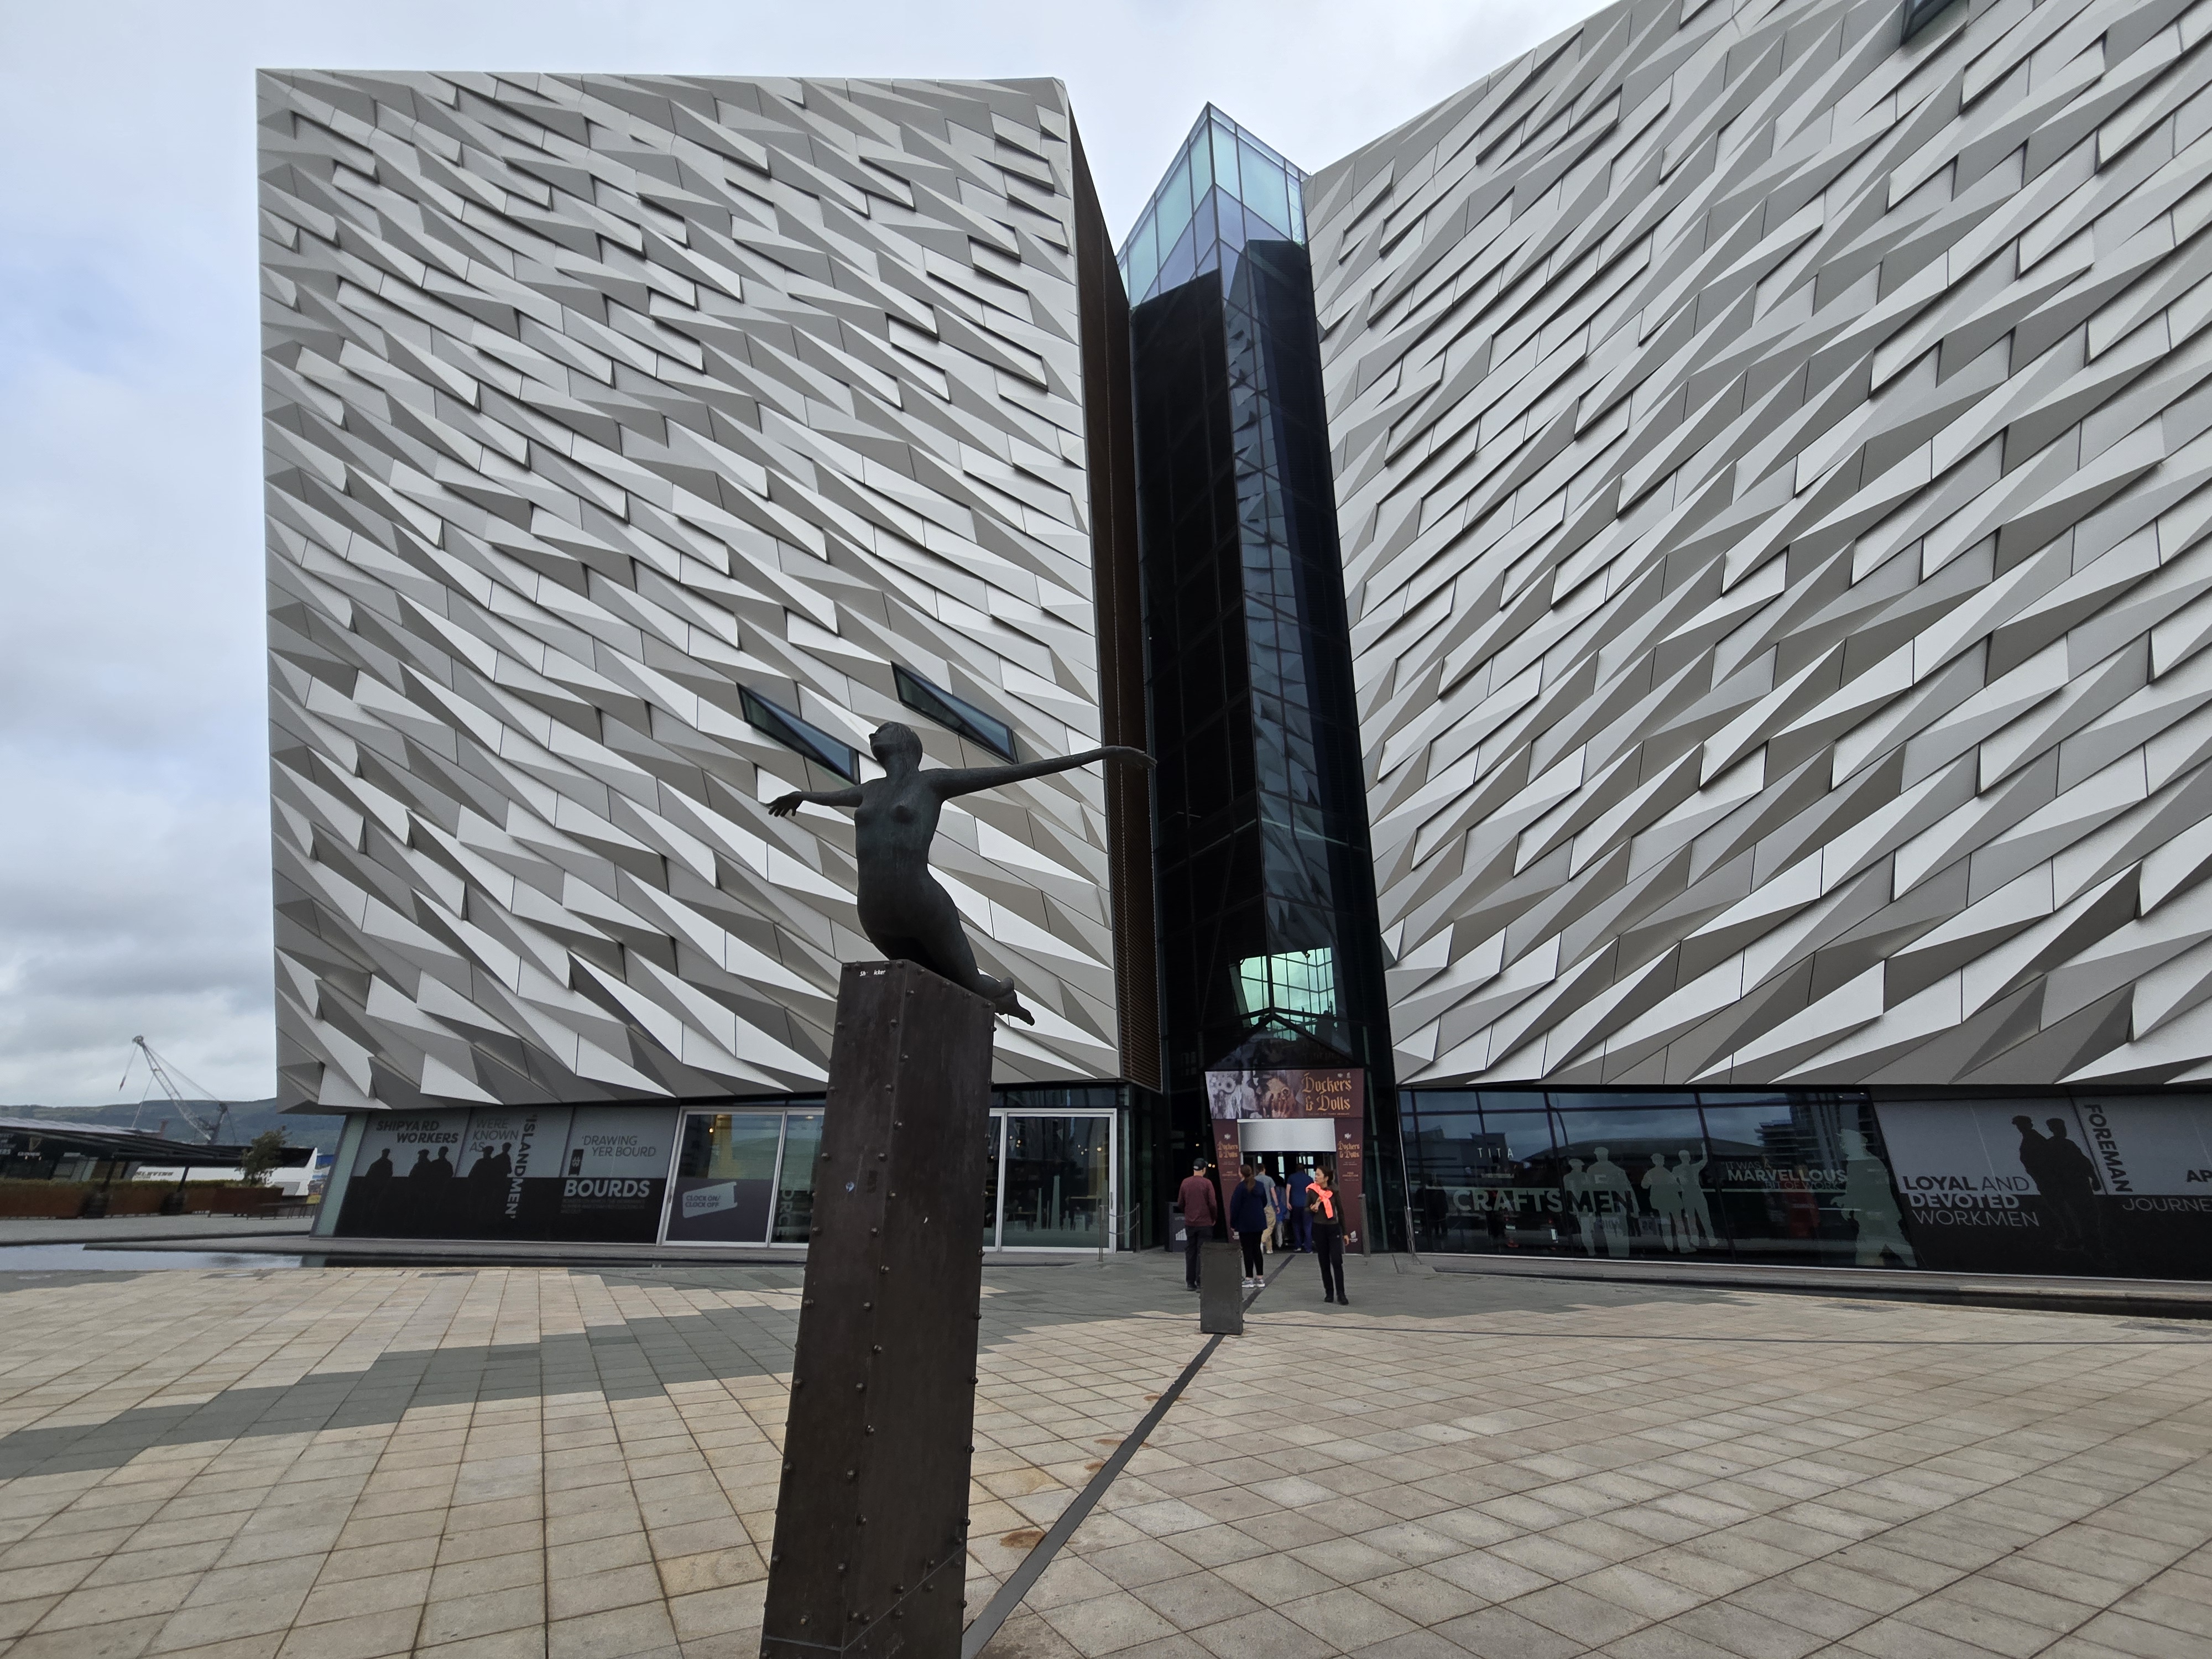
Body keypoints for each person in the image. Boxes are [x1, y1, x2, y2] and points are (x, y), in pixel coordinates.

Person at [770, 723, 1152, 1021]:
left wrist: (1106, 753)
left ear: (903, 743)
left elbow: (1021, 771)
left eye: (882, 731)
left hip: (920, 901)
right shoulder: (869, 790)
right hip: (873, 909)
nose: (873, 736)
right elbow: (829, 797)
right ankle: (989, 1002)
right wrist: (801, 796)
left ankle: (1000, 998)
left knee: (965, 982)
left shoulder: (932, 782)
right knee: (916, 988)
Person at [1176, 1157, 1219, 1292]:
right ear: (1204, 1169)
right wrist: (1214, 1217)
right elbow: (1213, 1203)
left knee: (1191, 1251)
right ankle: (1201, 1282)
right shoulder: (1207, 1183)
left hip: (1190, 1222)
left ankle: (1190, 1283)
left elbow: (1180, 1202)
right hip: (1205, 1223)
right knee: (1203, 1252)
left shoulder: (1185, 1182)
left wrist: (1187, 1212)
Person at [1309, 1164, 1348, 1305]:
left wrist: (1345, 1233)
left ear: (1326, 1178)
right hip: (1319, 1228)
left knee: (1337, 1261)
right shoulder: (1312, 1191)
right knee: (1324, 1262)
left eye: (1318, 1175)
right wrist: (1312, 1209)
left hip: (1333, 1228)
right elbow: (1306, 1209)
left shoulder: (1334, 1191)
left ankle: (1341, 1294)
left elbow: (1341, 1212)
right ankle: (1329, 1293)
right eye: (1316, 1174)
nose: (1316, 1177)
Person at [1230, 1164, 1270, 1290]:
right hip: (1258, 1222)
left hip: (1245, 1223)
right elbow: (1265, 1201)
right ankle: (1260, 1278)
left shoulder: (1240, 1187)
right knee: (1257, 1249)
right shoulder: (1260, 1186)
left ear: (1241, 1173)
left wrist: (1233, 1223)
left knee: (1247, 1250)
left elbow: (1235, 1207)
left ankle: (1249, 1278)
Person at [1286, 1162, 1314, 1251]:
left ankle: (1298, 1246)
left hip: (1295, 1204)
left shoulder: (1291, 1177)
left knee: (1296, 1225)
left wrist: (1288, 1202)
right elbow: (1313, 1192)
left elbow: (1288, 1190)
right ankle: (1308, 1248)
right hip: (1307, 1205)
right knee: (1308, 1226)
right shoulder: (1309, 1179)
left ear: (1296, 1169)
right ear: (1304, 1170)